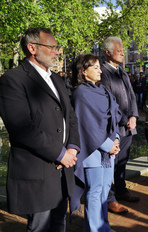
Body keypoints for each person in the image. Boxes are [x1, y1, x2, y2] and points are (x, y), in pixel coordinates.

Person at [0, 27, 80, 231]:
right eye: (52, 47)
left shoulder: (57, 79)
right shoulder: (13, 80)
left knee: (59, 223)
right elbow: (21, 128)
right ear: (32, 48)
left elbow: (70, 115)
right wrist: (60, 153)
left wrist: (72, 148)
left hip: (63, 170)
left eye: (57, 47)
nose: (57, 51)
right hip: (38, 172)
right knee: (39, 227)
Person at [70, 54, 120, 232]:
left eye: (99, 67)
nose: (100, 70)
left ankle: (103, 227)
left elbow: (115, 115)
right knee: (95, 191)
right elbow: (87, 125)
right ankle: (94, 229)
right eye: (96, 67)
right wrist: (108, 145)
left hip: (109, 151)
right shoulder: (81, 93)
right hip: (93, 152)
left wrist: (116, 139)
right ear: (84, 72)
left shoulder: (103, 90)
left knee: (104, 191)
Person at [101, 37, 140, 215]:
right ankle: (109, 198)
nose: (123, 53)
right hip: (113, 128)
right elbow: (109, 101)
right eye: (119, 50)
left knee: (123, 161)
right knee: (110, 164)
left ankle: (121, 189)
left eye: (123, 50)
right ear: (108, 52)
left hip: (127, 126)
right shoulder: (102, 72)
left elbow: (132, 96)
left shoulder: (122, 72)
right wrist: (126, 119)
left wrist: (134, 116)